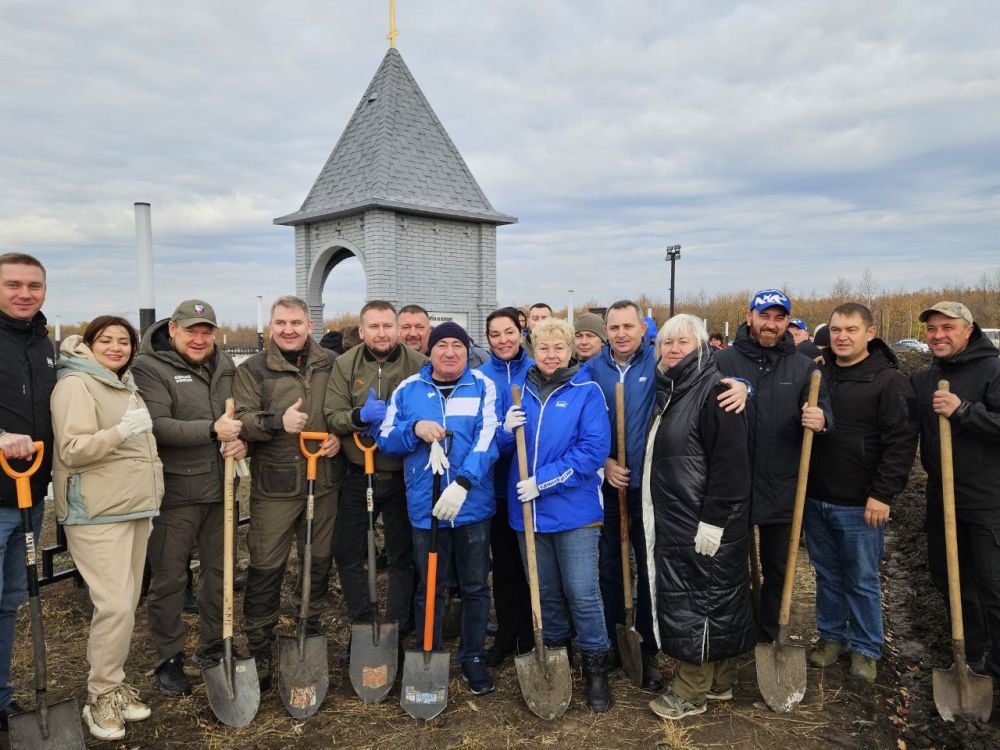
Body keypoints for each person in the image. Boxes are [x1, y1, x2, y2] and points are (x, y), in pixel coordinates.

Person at [587, 300, 748, 690]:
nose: (621, 333)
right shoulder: (591, 370)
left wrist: (746, 386)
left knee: (652, 569)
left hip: (656, 493)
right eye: (614, 327)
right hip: (610, 485)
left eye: (629, 326)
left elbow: (717, 378)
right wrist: (604, 462)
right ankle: (612, 640)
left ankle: (648, 645)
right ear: (605, 332)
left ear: (644, 330)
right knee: (609, 567)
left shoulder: (657, 365)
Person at [51, 317, 163, 739]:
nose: (116, 347)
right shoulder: (77, 384)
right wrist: (120, 431)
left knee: (125, 604)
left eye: (124, 341)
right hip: (97, 512)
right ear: (90, 344)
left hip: (131, 507)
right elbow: (73, 449)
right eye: (106, 340)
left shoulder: (120, 382)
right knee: (114, 605)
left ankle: (113, 686)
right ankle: (99, 697)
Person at [642, 314, 755, 719]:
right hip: (683, 517)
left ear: (702, 347)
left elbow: (730, 463)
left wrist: (714, 519)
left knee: (698, 603)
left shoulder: (714, 393)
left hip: (702, 521)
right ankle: (721, 682)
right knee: (717, 599)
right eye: (667, 343)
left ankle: (690, 692)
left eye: (683, 343)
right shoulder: (675, 388)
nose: (673, 349)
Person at [498, 317, 614, 711]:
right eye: (544, 348)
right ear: (534, 350)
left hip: (574, 512)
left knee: (582, 592)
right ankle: (558, 659)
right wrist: (503, 427)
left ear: (571, 350)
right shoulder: (518, 391)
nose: (551, 355)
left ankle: (597, 665)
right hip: (527, 514)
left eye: (559, 348)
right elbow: (499, 445)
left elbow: (592, 450)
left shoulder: (587, 391)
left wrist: (542, 482)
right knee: (544, 593)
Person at [378, 321, 500, 695]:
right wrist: (412, 428)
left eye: (457, 346)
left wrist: (463, 483)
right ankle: (427, 648)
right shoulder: (408, 389)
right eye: (442, 345)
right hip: (424, 505)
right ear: (430, 351)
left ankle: (473, 655)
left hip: (472, 505)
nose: (450, 352)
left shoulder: (482, 386)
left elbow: (489, 437)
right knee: (429, 584)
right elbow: (385, 438)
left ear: (468, 351)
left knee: (476, 585)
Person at [131, 300, 246, 696]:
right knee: (169, 578)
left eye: (207, 331)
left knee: (221, 573)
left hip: (222, 488)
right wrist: (214, 431)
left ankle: (213, 645)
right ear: (174, 329)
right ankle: (169, 656)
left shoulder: (227, 366)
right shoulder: (150, 367)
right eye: (192, 331)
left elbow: (240, 418)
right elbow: (157, 425)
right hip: (177, 492)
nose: (200, 339)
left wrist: (241, 441)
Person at [232, 295, 342, 689]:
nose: (288, 329)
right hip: (275, 484)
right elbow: (240, 419)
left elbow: (343, 410)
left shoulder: (330, 363)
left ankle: (307, 629)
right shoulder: (252, 369)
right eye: (281, 323)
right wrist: (279, 421)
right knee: (265, 565)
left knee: (317, 558)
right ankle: (260, 644)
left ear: (310, 325)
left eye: (296, 322)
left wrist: (338, 439)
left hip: (324, 479)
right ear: (271, 327)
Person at [806, 303, 917, 683]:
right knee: (827, 573)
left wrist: (883, 494)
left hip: (860, 502)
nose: (841, 336)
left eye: (851, 330)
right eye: (836, 329)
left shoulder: (888, 381)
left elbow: (901, 443)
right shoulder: (820, 375)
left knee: (862, 577)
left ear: (869, 333)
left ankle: (867, 646)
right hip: (817, 495)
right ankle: (832, 636)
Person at [715, 289, 831, 645]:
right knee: (731, 568)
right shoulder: (724, 361)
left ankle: (769, 633)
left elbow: (825, 412)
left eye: (779, 318)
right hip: (734, 481)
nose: (771, 324)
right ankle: (736, 632)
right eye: (764, 316)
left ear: (786, 323)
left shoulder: (802, 368)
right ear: (749, 316)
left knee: (778, 568)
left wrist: (821, 418)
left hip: (782, 484)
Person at [324, 300, 424, 662]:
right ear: (362, 331)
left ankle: (395, 628)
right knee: (348, 552)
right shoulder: (344, 364)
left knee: (401, 555)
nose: (381, 333)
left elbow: (428, 411)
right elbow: (332, 415)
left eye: (387, 326)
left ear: (397, 329)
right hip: (358, 473)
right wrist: (357, 416)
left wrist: (400, 428)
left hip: (403, 476)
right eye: (374, 327)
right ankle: (363, 626)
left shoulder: (418, 364)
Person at [911, 301, 1000, 679]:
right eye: (932, 329)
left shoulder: (994, 370)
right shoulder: (928, 375)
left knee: (993, 582)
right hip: (942, 494)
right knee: (948, 576)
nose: (938, 336)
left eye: (947, 327)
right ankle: (973, 652)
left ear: (968, 329)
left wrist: (964, 410)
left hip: (988, 497)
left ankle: (997, 666)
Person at [0, 252, 54, 730]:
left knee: (11, 598)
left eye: (33, 285)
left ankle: (1, 698)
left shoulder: (43, 342)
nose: (24, 293)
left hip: (29, 496)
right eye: (13, 284)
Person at [477, 308, 533, 665]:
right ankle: (507, 634)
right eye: (495, 334)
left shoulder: (538, 369)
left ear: (522, 332)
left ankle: (533, 633)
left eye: (509, 332)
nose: (503, 340)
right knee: (507, 566)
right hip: (497, 486)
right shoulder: (480, 378)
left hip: (533, 486)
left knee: (533, 564)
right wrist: (503, 433)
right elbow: (479, 439)